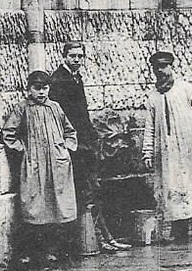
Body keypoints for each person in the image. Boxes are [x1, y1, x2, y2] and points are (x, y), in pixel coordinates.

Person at [49, 42, 131, 252]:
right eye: (72, 56)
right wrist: (75, 143)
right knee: (88, 193)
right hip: (74, 147)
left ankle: (102, 239)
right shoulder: (60, 81)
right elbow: (64, 118)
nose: (77, 60)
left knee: (91, 192)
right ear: (64, 56)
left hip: (84, 145)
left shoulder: (76, 79)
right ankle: (98, 240)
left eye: (80, 56)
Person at [1, 69, 78, 267]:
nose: (41, 93)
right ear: (29, 90)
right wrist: (23, 150)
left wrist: (66, 148)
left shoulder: (55, 107)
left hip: (57, 164)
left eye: (44, 88)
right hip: (35, 165)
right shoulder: (22, 109)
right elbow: (9, 133)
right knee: (36, 207)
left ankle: (60, 253)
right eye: (37, 89)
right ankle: (37, 254)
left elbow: (70, 131)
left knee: (60, 206)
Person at [142, 50, 192, 246]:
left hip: (191, 150)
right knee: (172, 186)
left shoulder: (186, 89)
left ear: (171, 67)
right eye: (156, 67)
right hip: (167, 153)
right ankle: (179, 231)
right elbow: (149, 127)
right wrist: (147, 152)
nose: (161, 71)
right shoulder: (153, 98)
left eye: (164, 66)